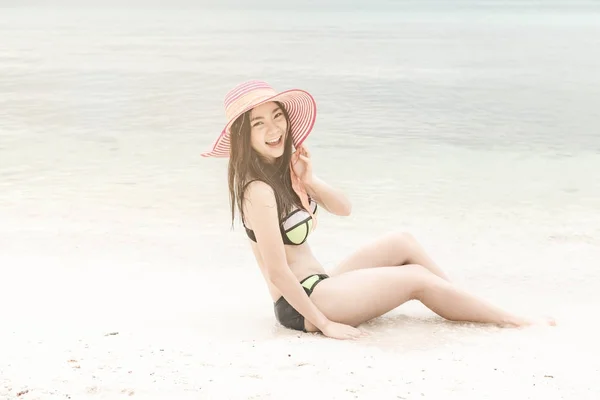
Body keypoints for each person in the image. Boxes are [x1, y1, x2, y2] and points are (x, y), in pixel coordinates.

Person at [201, 80, 555, 340]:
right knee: (416, 278)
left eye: (276, 117)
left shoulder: (285, 175)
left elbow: (345, 208)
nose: (273, 129)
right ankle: (512, 320)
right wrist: (325, 325)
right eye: (258, 123)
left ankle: (460, 301)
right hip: (302, 305)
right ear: (244, 137)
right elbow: (278, 272)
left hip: (321, 286)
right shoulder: (258, 191)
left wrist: (309, 180)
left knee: (402, 241)